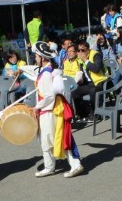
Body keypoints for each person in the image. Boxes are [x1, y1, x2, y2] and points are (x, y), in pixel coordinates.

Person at [28, 41, 84, 178]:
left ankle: (74, 164)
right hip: (48, 109)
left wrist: (37, 107)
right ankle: (50, 166)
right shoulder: (46, 71)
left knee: (56, 138)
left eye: (36, 56)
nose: (35, 58)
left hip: (49, 110)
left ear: (42, 57)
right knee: (47, 139)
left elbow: (49, 96)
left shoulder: (46, 74)